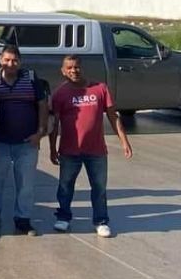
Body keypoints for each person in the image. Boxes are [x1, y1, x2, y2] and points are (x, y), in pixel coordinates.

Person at [49, 54, 134, 238]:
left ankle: (101, 221)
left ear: (82, 67)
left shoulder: (100, 89)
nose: (74, 71)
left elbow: (113, 116)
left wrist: (124, 141)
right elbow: (54, 124)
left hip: (96, 151)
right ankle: (63, 217)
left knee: (99, 188)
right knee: (65, 186)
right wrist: (52, 148)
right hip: (69, 151)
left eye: (77, 67)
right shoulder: (60, 94)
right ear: (63, 71)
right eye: (69, 68)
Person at [0, 46, 49, 237]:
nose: (10, 64)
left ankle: (23, 220)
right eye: (7, 60)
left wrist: (40, 132)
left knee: (26, 184)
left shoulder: (31, 78)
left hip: (27, 143)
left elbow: (42, 105)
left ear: (20, 61)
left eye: (14, 60)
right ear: (0, 59)